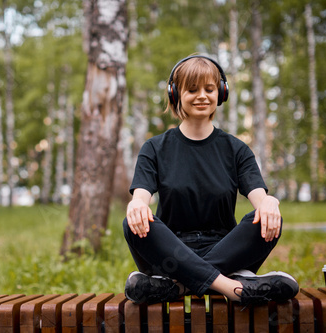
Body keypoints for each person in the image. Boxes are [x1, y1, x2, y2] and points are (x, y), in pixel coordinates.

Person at [123, 54, 299, 306]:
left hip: (227, 251)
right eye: (192, 89)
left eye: (209, 88)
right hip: (171, 251)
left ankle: (177, 285)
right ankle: (231, 285)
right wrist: (137, 204)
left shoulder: (237, 149)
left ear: (221, 92)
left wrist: (270, 203)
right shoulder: (154, 148)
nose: (202, 96)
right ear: (175, 94)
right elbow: (141, 195)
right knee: (133, 221)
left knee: (269, 217)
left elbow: (260, 198)